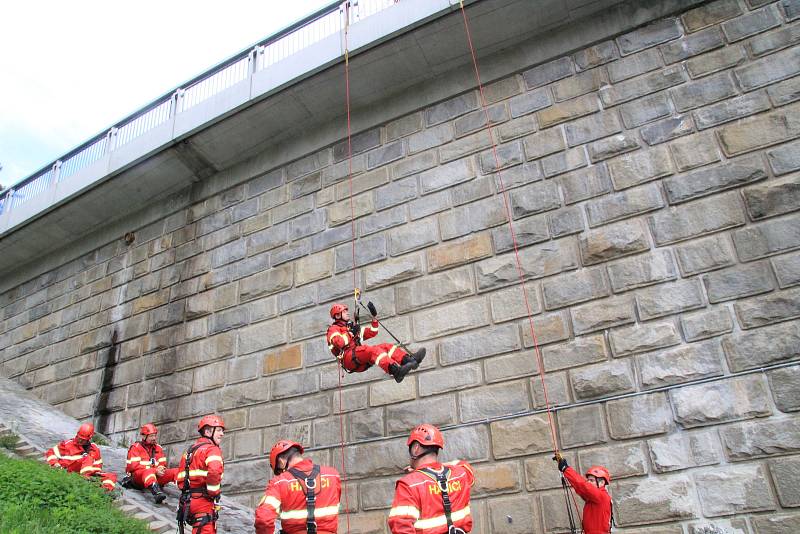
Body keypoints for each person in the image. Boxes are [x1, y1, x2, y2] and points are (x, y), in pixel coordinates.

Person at [388, 424, 474, 534]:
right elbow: (463, 464)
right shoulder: (460, 474)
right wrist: (436, 467)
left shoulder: (409, 484)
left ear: (416, 449)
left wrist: (421, 471)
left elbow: (400, 528)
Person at [254, 439, 341, 534]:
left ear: (281, 462)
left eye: (279, 471)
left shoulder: (280, 482)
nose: (280, 474)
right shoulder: (333, 475)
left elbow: (263, 519)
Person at [326, 302, 425, 383]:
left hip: (358, 356)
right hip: (348, 358)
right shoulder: (333, 329)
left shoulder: (350, 327)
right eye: (344, 311)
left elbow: (373, 332)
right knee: (372, 350)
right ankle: (395, 371)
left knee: (386, 346)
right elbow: (339, 343)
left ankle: (409, 361)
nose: (347, 313)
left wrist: (374, 317)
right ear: (338, 315)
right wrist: (351, 333)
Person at [176, 415, 225, 534]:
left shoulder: (190, 451)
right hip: (202, 502)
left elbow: (179, 477)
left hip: (186, 502)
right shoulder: (212, 449)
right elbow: (214, 471)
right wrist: (214, 492)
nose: (222, 434)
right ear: (208, 432)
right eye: (218, 430)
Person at [44, 422, 118, 492]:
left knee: (111, 477)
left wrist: (92, 473)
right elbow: (51, 453)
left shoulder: (93, 449)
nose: (80, 441)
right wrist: (55, 464)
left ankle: (104, 493)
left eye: (83, 440)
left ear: (89, 439)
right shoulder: (67, 445)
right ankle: (86, 483)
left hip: (87, 475)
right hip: (66, 472)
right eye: (79, 438)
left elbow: (98, 466)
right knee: (87, 458)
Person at [554, 454, 612, 534]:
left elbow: (583, 486)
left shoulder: (601, 496)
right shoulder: (594, 497)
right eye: (588, 480)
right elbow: (580, 488)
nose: (588, 482)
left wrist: (566, 469)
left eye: (591, 480)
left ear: (602, 483)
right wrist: (564, 468)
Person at [124, 423, 179, 503]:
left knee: (176, 471)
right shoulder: (136, 448)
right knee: (148, 471)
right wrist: (154, 470)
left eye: (154, 435)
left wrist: (161, 468)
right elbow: (133, 467)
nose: (154, 438)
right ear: (144, 436)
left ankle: (188, 491)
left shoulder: (158, 448)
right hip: (138, 478)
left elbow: (162, 463)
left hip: (155, 476)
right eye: (151, 436)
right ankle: (157, 493)